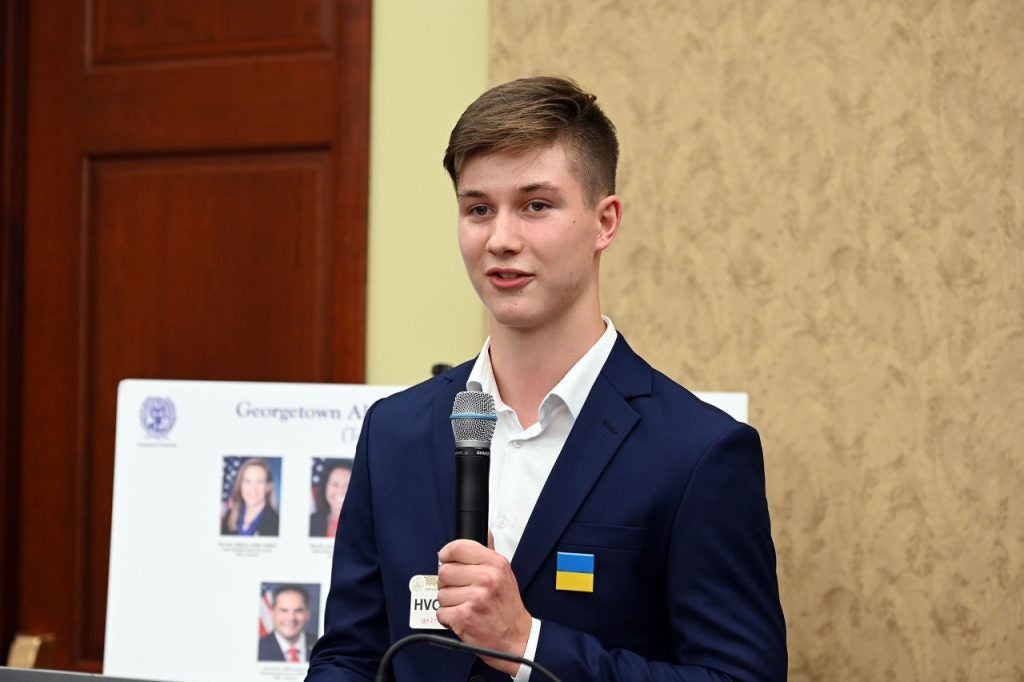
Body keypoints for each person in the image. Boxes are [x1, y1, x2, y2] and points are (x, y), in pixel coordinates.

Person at [307, 76, 786, 681]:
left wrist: (526, 641)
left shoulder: (698, 452)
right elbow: (349, 656)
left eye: (536, 205)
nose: (501, 240)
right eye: (478, 208)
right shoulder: (394, 431)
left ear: (604, 222)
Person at [221, 457, 280, 537]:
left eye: (260, 482)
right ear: (240, 485)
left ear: (268, 487)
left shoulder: (277, 524)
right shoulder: (229, 516)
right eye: (248, 481)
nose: (253, 489)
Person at [259, 585, 317, 663]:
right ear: (272, 613)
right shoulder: (258, 649)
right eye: (284, 610)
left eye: (298, 610)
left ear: (307, 614)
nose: (291, 618)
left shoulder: (321, 644)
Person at [310, 459, 353, 538]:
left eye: (348, 485)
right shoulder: (310, 523)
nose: (340, 491)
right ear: (325, 487)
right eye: (335, 484)